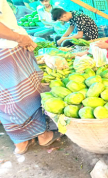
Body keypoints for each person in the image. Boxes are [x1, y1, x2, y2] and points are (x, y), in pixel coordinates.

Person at [0, 0, 62, 154]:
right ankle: (43, 135)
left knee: (4, 99)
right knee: (26, 94)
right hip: (7, 49)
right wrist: (20, 38)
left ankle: (20, 141)